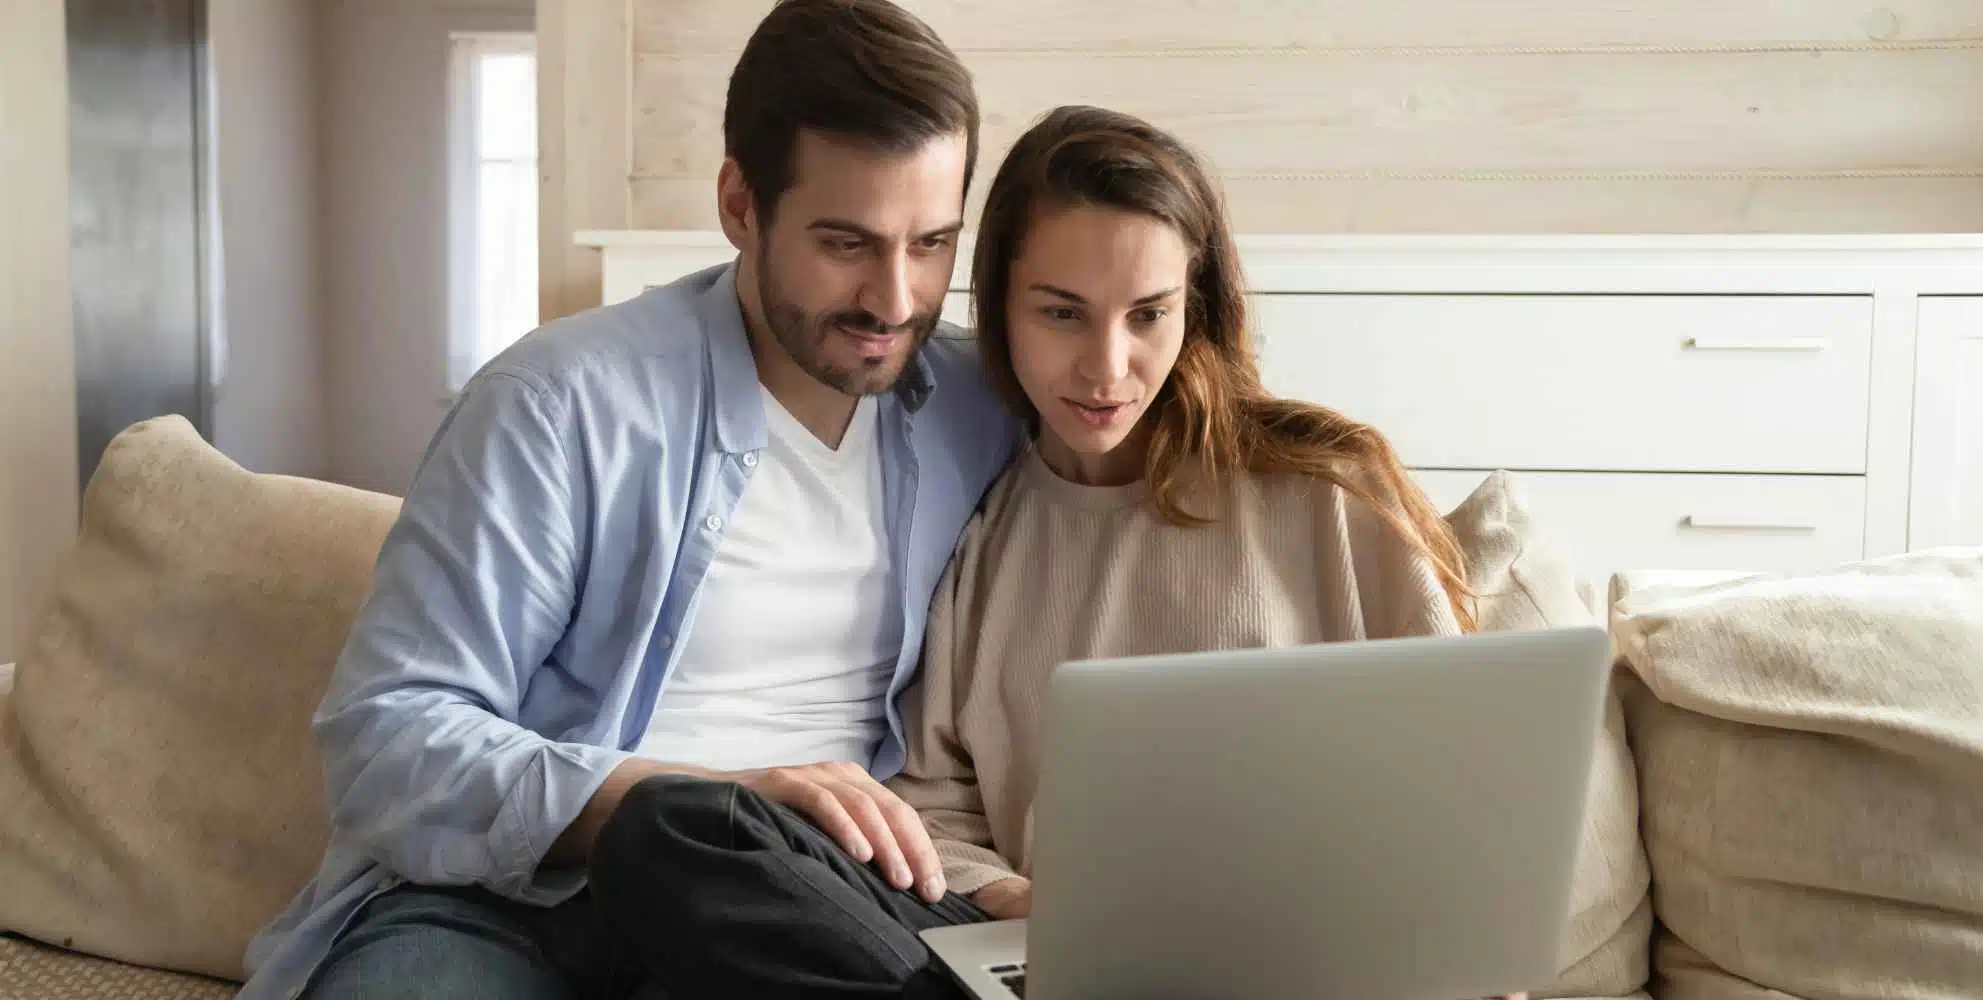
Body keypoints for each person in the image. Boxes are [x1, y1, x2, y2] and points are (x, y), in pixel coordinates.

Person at [610, 105, 1531, 1000]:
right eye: (1061, 314)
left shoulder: (1330, 500)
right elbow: (937, 808)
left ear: (1196, 309)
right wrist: (1024, 903)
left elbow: (1459, 799)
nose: (1106, 367)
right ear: (1001, 308)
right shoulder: (981, 526)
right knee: (681, 831)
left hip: (1313, 968)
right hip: (1042, 956)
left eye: (1148, 315)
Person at [233, 2, 1016, 998]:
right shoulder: (560, 402)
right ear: (739, 203)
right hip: (520, 899)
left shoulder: (977, 403)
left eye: (933, 242)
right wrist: (685, 802)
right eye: (843, 242)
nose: (895, 298)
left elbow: (1166, 434)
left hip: (808, 903)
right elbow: (388, 736)